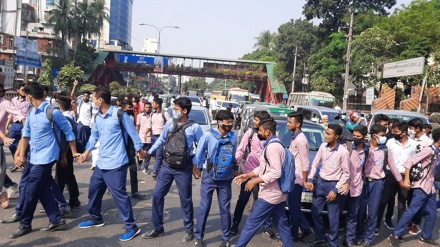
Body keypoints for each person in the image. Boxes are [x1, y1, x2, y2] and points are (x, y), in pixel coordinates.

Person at [9, 82, 79, 239]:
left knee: (30, 189)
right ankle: (57, 219)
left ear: (29, 96)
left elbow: (69, 133)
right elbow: (26, 134)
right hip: (33, 157)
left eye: (26, 96)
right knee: (43, 188)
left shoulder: (53, 112)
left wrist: (72, 153)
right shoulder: (32, 113)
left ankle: (25, 223)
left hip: (47, 158)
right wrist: (20, 154)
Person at [76, 87, 147, 242]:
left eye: (94, 98)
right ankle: (96, 218)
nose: (93, 100)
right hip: (102, 163)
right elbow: (94, 136)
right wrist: (86, 153)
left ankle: (131, 226)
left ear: (100, 100)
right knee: (94, 190)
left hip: (116, 162)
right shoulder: (98, 118)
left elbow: (133, 134)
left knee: (119, 195)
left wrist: (140, 151)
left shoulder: (119, 115)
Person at [142, 97, 203, 243]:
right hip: (167, 166)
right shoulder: (170, 122)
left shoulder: (194, 127)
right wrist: (149, 152)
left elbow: (201, 147)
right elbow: (162, 140)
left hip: (184, 168)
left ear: (184, 111)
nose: (174, 111)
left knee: (185, 199)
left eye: (176, 109)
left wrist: (197, 164)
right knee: (157, 195)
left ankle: (189, 230)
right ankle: (158, 228)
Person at [233, 118, 293, 247]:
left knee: (251, 224)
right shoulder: (274, 145)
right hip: (278, 194)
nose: (258, 133)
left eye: (260, 130)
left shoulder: (272, 147)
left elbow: (276, 172)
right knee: (282, 224)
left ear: (267, 132)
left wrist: (255, 180)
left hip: (270, 195)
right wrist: (248, 175)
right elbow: (264, 167)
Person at [355, 124, 408, 247]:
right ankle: (359, 235)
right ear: (374, 135)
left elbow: (393, 168)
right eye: (383, 135)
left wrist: (401, 182)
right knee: (361, 211)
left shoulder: (384, 150)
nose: (385, 137)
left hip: (378, 183)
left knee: (373, 212)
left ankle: (369, 238)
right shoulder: (365, 148)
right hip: (363, 182)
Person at [193, 110, 238, 247]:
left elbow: (234, 155)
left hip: (225, 177)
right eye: (227, 122)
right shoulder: (207, 135)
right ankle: (199, 237)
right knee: (204, 207)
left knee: (225, 208)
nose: (230, 125)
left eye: (231, 122)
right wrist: (197, 169)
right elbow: (198, 155)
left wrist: (235, 170)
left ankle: (226, 238)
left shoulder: (234, 137)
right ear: (219, 122)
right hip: (209, 176)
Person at [388, 128, 440, 247]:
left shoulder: (437, 151)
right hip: (421, 186)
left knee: (432, 213)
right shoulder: (429, 150)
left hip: (430, 187)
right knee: (412, 210)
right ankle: (395, 235)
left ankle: (425, 236)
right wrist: (406, 179)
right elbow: (409, 162)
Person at [230, 111, 275, 239]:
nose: (254, 122)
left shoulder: (272, 135)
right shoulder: (250, 133)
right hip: (249, 172)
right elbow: (241, 149)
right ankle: (235, 224)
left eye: (256, 119)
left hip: (264, 175)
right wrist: (236, 165)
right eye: (254, 119)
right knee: (243, 199)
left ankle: (267, 227)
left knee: (263, 201)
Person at [304, 124, 350, 247]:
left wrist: (335, 190)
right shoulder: (323, 147)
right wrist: (309, 178)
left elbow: (346, 174)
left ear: (336, 136)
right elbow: (315, 163)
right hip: (320, 182)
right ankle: (320, 237)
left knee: (333, 217)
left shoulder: (343, 152)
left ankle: (333, 243)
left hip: (333, 185)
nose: (326, 136)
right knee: (315, 210)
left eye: (329, 134)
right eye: (326, 133)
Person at [377, 122, 417, 235]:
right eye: (393, 131)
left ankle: (399, 231)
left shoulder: (414, 144)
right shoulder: (390, 142)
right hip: (390, 175)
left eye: (396, 132)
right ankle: (377, 226)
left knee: (401, 205)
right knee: (383, 201)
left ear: (404, 133)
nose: (393, 133)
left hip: (405, 177)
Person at [286, 111, 313, 241]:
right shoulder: (295, 137)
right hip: (292, 177)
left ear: (297, 124)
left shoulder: (301, 140)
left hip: (297, 179)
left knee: (294, 208)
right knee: (293, 206)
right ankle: (306, 228)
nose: (287, 124)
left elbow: (305, 161)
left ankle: (294, 235)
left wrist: (304, 180)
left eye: (289, 122)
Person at [342, 125, 368, 247]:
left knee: (353, 216)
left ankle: (349, 240)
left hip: (357, 188)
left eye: (358, 136)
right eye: (354, 136)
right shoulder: (346, 148)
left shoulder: (366, 151)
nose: (355, 138)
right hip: (343, 187)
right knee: (337, 214)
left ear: (364, 137)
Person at [54, 95, 81, 209]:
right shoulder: (70, 115)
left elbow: (66, 138)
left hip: (65, 151)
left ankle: (58, 202)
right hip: (68, 150)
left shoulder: (63, 118)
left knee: (60, 177)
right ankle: (74, 199)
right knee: (68, 175)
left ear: (58, 105)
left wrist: (63, 155)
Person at [120, 99, 143, 199]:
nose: (131, 109)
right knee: (121, 170)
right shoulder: (122, 117)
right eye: (129, 108)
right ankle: (118, 189)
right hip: (122, 147)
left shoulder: (130, 117)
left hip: (130, 147)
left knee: (133, 169)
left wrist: (137, 148)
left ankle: (134, 191)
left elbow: (133, 134)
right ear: (123, 108)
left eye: (132, 107)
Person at [7, 83, 32, 172]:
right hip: (15, 125)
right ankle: (17, 161)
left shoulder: (29, 101)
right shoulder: (13, 100)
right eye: (22, 90)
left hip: (25, 125)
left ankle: (26, 164)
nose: (24, 92)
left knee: (25, 146)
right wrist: (7, 126)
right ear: (18, 90)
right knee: (11, 145)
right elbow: (11, 114)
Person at [151, 98, 171, 179]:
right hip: (153, 136)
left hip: (161, 137)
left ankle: (155, 172)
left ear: (158, 105)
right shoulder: (153, 114)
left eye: (154, 103)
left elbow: (170, 124)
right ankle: (162, 170)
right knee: (156, 155)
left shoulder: (164, 114)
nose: (152, 105)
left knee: (159, 155)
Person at [136, 102, 153, 174]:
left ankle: (145, 167)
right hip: (141, 136)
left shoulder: (153, 115)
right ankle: (139, 164)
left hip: (149, 137)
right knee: (139, 152)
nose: (148, 109)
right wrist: (136, 135)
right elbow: (138, 125)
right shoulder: (140, 116)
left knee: (148, 153)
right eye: (146, 107)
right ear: (144, 108)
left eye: (149, 107)